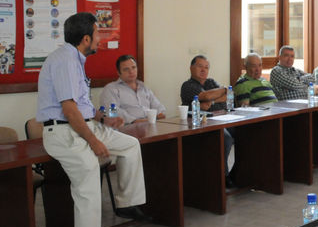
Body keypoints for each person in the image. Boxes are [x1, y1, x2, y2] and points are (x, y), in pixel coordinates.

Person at [36, 12, 150, 227]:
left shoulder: (76, 59)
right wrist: (94, 140)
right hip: (64, 133)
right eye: (98, 33)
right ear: (86, 38)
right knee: (88, 193)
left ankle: (125, 203)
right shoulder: (65, 60)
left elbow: (83, 107)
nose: (101, 38)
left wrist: (103, 119)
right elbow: (69, 109)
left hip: (83, 126)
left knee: (130, 145)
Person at [179, 55, 235, 186]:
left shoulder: (211, 82)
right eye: (200, 66)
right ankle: (223, 175)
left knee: (245, 130)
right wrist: (223, 90)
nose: (203, 70)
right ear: (191, 68)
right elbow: (206, 96)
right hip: (200, 124)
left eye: (206, 67)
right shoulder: (188, 85)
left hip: (220, 118)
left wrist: (213, 100)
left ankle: (238, 173)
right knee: (225, 138)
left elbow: (229, 96)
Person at [99, 54, 166, 124]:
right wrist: (134, 121)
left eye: (133, 67)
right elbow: (112, 112)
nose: (131, 72)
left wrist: (160, 114)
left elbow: (158, 106)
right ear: (118, 73)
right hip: (127, 126)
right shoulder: (111, 89)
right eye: (126, 69)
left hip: (150, 124)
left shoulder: (143, 87)